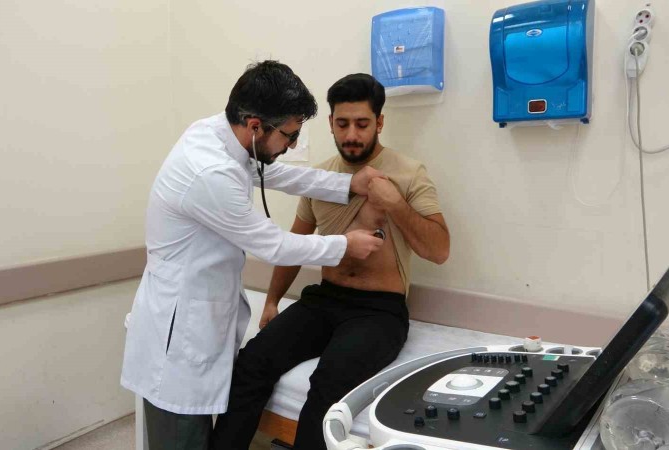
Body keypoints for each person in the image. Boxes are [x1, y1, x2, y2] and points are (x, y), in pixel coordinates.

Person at [120, 62, 387, 450]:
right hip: (177, 338)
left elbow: (276, 175)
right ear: (256, 125)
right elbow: (274, 245)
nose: (292, 145)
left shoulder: (222, 135)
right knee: (181, 440)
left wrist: (347, 184)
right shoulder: (209, 172)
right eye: (290, 135)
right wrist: (344, 245)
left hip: (194, 313)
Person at [211, 73, 450, 450]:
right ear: (330, 123)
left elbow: (439, 250)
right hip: (324, 299)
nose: (351, 134)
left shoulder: (407, 174)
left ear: (379, 122)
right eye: (343, 123)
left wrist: (395, 204)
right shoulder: (319, 178)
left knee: (328, 386)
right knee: (251, 363)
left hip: (379, 311)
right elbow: (294, 243)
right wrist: (272, 301)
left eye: (362, 124)